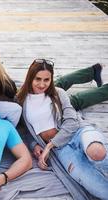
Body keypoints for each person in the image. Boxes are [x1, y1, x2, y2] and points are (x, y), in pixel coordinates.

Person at [17, 59, 108, 199]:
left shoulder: (58, 92)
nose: (42, 84)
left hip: (77, 133)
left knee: (97, 151)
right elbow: (23, 130)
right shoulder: (21, 100)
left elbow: (72, 122)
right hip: (61, 150)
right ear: (30, 77)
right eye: (38, 79)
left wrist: (49, 146)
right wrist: (34, 144)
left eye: (46, 80)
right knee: (96, 187)